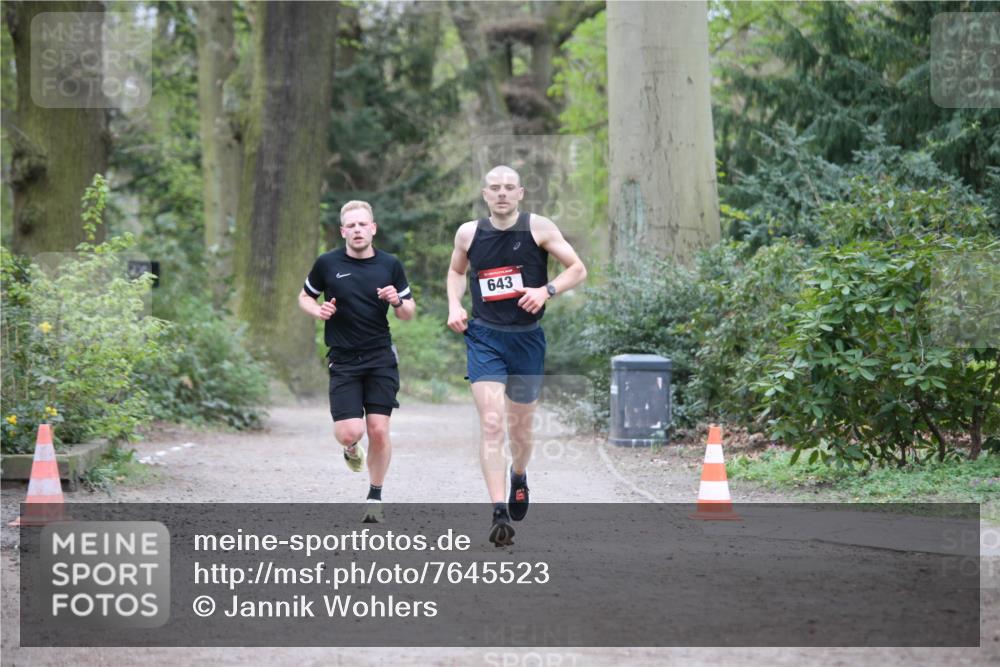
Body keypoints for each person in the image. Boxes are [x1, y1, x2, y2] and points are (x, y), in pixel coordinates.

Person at [446, 165, 587, 546]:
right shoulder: (469, 233)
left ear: (521, 193)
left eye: (510, 187)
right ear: (485, 193)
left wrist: (547, 290)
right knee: (492, 423)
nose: (503, 193)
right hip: (485, 337)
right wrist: (454, 306)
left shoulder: (539, 228)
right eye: (496, 188)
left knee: (520, 429)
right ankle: (497, 512)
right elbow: (456, 273)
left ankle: (519, 476)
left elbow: (577, 268)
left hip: (526, 340)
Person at [299, 200, 415, 523]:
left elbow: (408, 312)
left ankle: (374, 495)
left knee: (378, 430)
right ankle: (351, 450)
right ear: (343, 231)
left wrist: (397, 301)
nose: (357, 230)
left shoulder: (390, 264)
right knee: (350, 432)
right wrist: (317, 311)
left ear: (373, 228)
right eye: (351, 226)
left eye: (363, 224)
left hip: (380, 356)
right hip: (344, 359)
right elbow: (305, 296)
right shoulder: (327, 264)